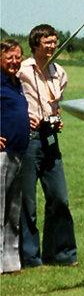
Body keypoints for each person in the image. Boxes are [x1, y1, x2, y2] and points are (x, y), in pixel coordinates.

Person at [18, 25, 77, 267]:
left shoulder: (59, 72)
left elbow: (55, 104)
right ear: (35, 45)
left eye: (54, 41)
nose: (52, 46)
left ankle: (61, 254)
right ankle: (30, 257)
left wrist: (57, 118)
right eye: (47, 42)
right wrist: (23, 117)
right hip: (28, 138)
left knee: (60, 198)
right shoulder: (21, 70)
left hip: (51, 138)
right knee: (27, 203)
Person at [1, 39, 29, 274]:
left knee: (12, 210)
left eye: (18, 57)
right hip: (2, 154)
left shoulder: (16, 83)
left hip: (19, 150)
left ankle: (10, 263)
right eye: (9, 57)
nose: (14, 62)